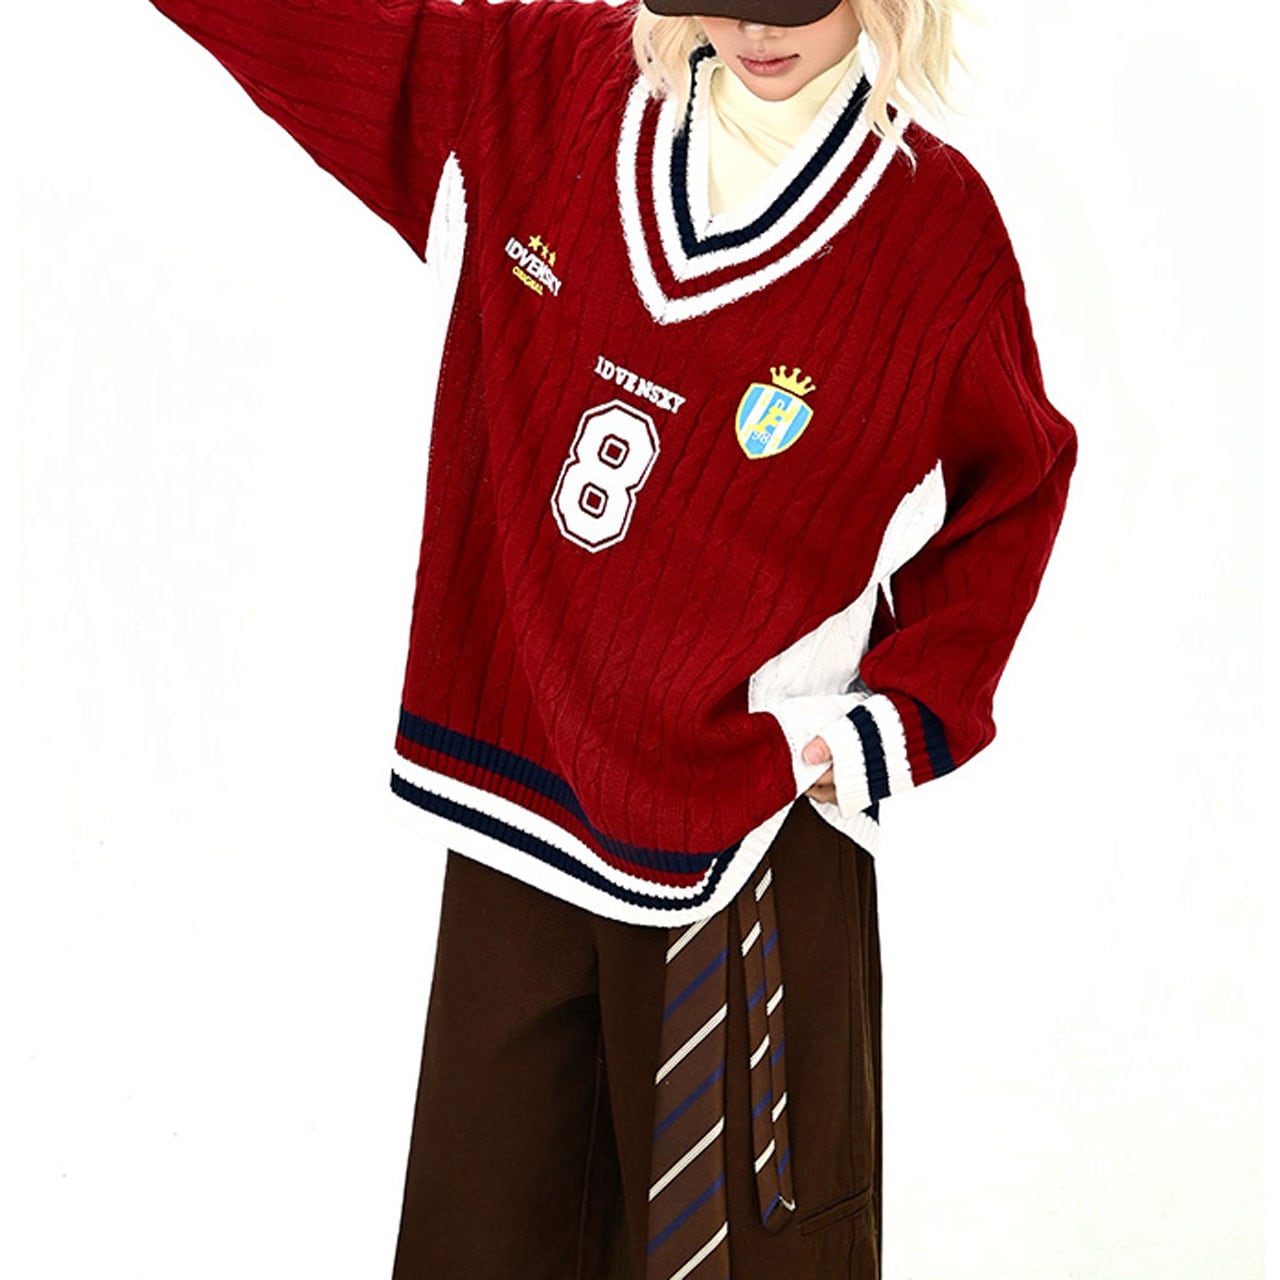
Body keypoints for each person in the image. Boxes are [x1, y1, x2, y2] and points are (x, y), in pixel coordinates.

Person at [144, 0, 1077, 1276]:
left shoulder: (930, 227)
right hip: (514, 804)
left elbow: (1017, 479)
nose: (753, 28)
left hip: (743, 834)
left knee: (750, 1261)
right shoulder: (540, 88)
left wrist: (882, 723)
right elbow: (342, 35)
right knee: (477, 1245)